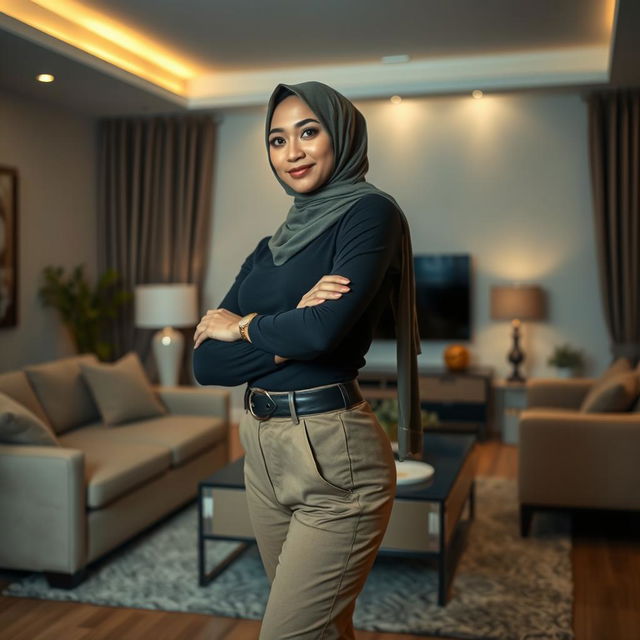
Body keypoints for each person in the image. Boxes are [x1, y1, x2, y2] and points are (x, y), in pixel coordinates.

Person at [192, 80, 422, 640]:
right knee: (320, 628)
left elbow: (321, 335)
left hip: (333, 451)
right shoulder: (267, 249)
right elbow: (205, 366)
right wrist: (292, 324)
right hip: (260, 452)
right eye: (277, 139)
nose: (291, 152)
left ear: (339, 136)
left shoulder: (370, 214)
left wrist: (243, 326)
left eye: (308, 131)